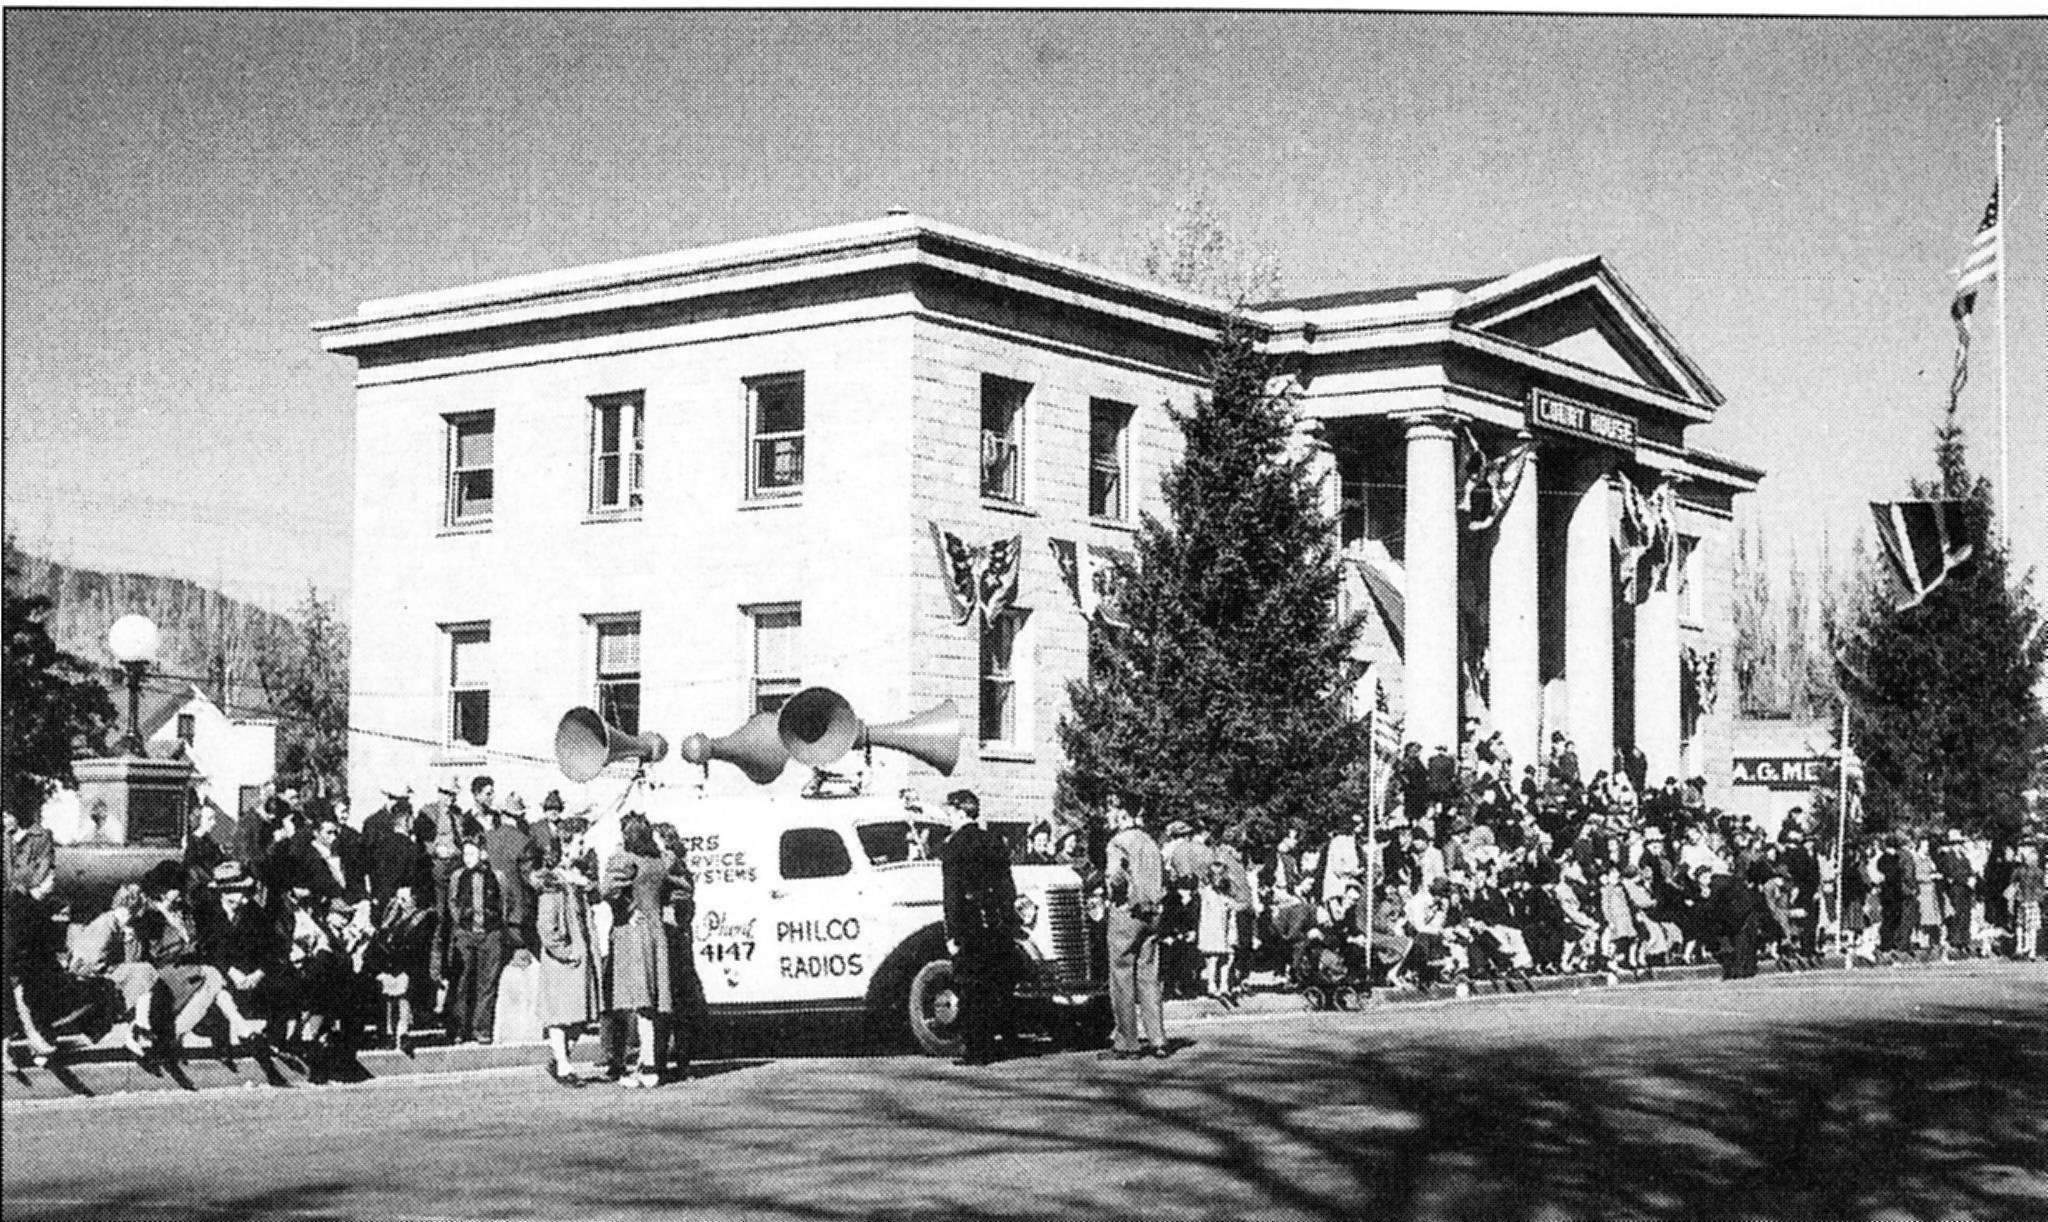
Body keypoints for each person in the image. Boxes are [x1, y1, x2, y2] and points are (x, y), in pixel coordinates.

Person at [935, 789, 1019, 1066]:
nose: (948, 817)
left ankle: (976, 1048)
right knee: (995, 984)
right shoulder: (993, 840)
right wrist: (1006, 919)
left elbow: (952, 894)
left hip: (969, 923)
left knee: (970, 986)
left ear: (960, 811)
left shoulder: (953, 845)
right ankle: (1003, 1041)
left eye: (950, 811)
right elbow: (1008, 886)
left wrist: (953, 933)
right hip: (995, 923)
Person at [603, 811, 682, 1088]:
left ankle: (638, 1065)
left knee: (635, 1000)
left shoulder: (626, 859)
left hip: (631, 933)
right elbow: (681, 888)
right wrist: (663, 908)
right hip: (656, 930)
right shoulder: (661, 860)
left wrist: (629, 907)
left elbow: (608, 890)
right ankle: (649, 1063)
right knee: (652, 1001)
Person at [532, 816, 602, 1084]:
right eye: (579, 842)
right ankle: (562, 1064)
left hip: (580, 956)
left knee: (581, 1016)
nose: (583, 848)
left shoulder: (577, 878)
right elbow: (547, 927)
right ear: (565, 844)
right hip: (565, 959)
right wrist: (566, 952)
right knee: (561, 1016)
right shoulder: (553, 882)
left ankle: (560, 1058)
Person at [1101, 794, 1167, 1060]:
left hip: (1127, 913)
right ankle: (1158, 1039)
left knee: (1121, 975)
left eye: (1110, 810)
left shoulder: (1118, 842)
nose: (1107, 816)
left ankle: (1127, 1042)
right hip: (1153, 914)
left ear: (1122, 813)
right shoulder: (1150, 841)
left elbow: (1115, 877)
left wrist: (1109, 885)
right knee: (1149, 976)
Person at [443, 835, 506, 1044]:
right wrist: (460, 924)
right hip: (466, 934)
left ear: (483, 853)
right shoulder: (457, 876)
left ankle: (482, 1028)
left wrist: (496, 928)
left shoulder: (497, 876)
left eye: (472, 853)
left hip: (491, 934)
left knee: (487, 983)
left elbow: (504, 903)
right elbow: (452, 902)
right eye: (465, 854)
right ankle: (459, 1027)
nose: (467, 858)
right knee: (461, 982)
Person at [1195, 861, 1240, 1004]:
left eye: (1221, 875)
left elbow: (1231, 907)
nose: (1218, 878)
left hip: (1226, 927)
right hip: (1212, 928)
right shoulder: (1207, 892)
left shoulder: (1225, 892)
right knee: (1213, 957)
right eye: (1215, 875)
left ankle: (1224, 985)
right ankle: (1211, 985)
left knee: (1228, 955)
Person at [1935, 829, 1976, 956]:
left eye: (1959, 843)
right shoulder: (1949, 857)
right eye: (1956, 843)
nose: (1958, 846)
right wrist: (1965, 879)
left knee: (1966, 915)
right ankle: (1955, 943)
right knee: (1957, 916)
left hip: (1965, 890)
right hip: (1956, 890)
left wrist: (1972, 878)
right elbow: (1950, 874)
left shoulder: (1964, 857)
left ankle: (1964, 942)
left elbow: (1969, 870)